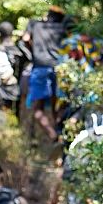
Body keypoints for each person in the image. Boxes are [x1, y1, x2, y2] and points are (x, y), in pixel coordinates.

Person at [26, 7, 69, 142]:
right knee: (59, 106)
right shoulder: (62, 29)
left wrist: (32, 51)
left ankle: (52, 135)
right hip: (59, 69)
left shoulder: (35, 25)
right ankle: (60, 133)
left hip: (40, 67)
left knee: (37, 109)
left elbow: (25, 38)